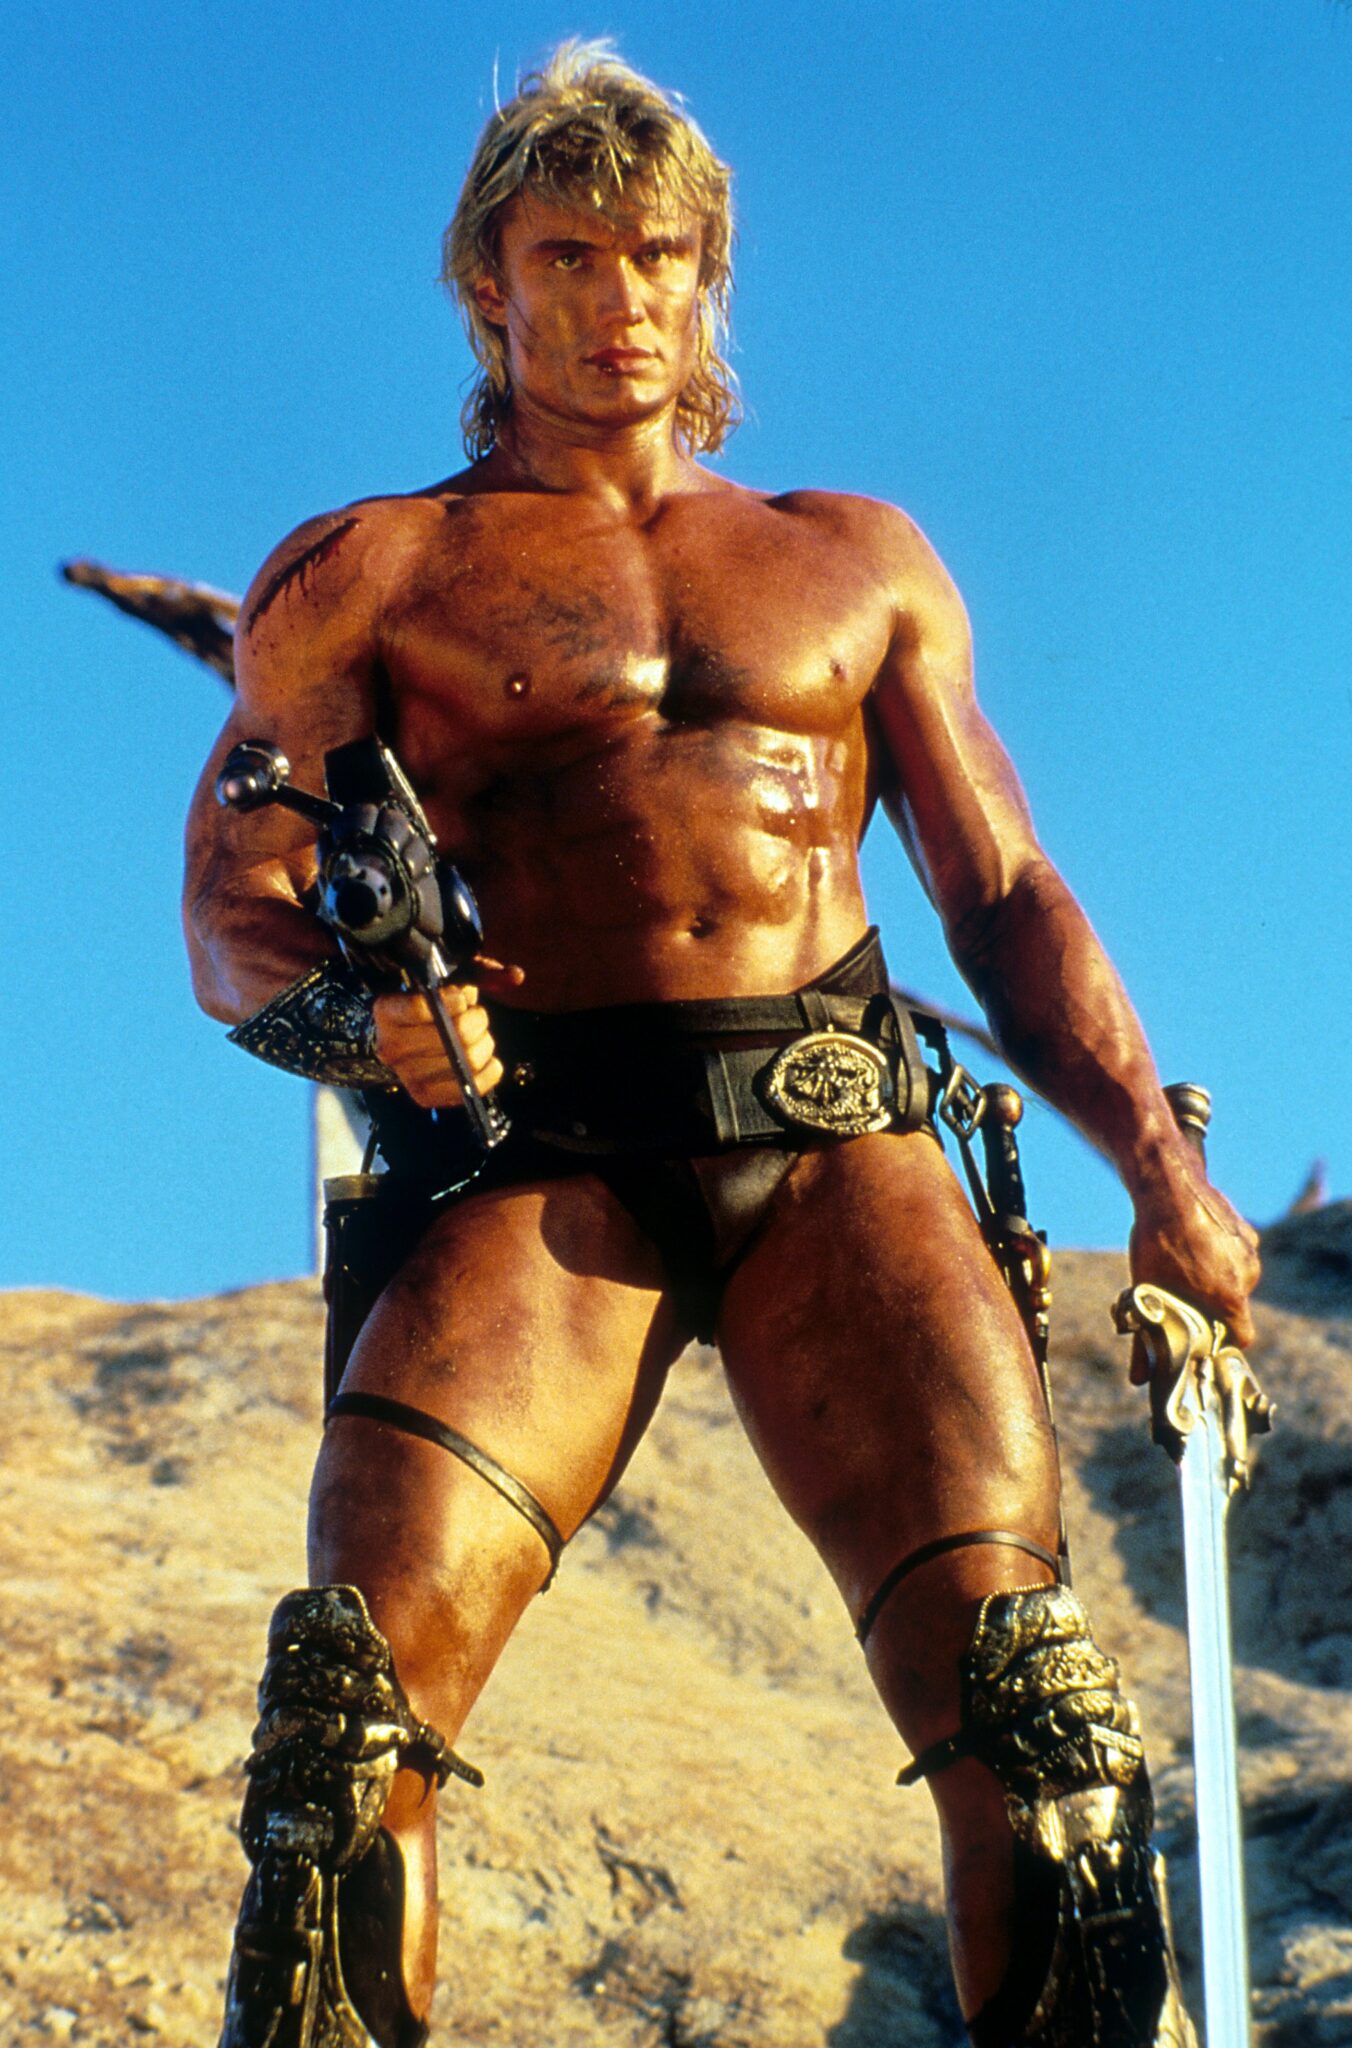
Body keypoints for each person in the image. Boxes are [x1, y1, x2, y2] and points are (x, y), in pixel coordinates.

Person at [184, 41, 1259, 2048]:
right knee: (343, 1727)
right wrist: (366, 1022)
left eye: (659, 257)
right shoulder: (371, 573)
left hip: (836, 1138)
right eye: (569, 256)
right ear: (485, 285)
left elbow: (1001, 893)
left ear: (711, 278)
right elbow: (233, 912)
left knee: (1040, 1730)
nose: (621, 301)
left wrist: (1159, 1171)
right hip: (544, 1159)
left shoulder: (853, 560)